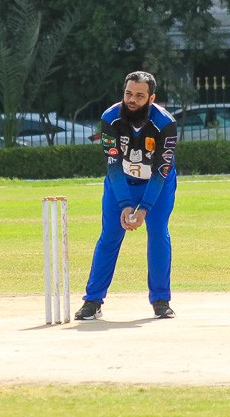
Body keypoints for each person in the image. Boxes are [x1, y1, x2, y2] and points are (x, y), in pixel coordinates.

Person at [75, 71, 178, 321]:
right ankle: (93, 301)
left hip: (157, 184)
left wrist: (143, 208)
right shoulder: (110, 118)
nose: (132, 100)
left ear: (151, 98)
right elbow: (112, 165)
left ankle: (161, 300)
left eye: (140, 96)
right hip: (120, 182)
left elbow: (161, 171)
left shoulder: (165, 123)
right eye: (128, 93)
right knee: (110, 236)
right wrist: (125, 204)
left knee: (158, 232)